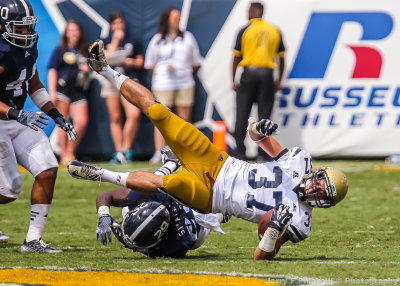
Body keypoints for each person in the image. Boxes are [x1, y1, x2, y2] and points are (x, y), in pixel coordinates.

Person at [68, 40, 348, 260]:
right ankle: (104, 68)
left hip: (213, 197)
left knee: (162, 182)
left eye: (322, 195)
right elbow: (256, 138)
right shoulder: (299, 161)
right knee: (161, 113)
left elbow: (261, 256)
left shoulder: (301, 222)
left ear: (325, 204)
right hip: (220, 163)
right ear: (317, 174)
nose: (315, 191)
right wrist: (258, 129)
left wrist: (272, 233)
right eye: (319, 185)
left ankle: (101, 174)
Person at [0, 0, 77, 252]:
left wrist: (56, 114)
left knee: (47, 168)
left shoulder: (29, 47)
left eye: (28, 27)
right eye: (19, 27)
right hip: (3, 120)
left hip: (18, 117)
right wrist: (16, 114)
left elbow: (33, 85)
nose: (26, 33)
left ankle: (32, 241)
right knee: (10, 190)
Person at [95, 146, 226, 258]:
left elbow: (151, 249)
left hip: (196, 222)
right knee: (149, 186)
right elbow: (106, 195)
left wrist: (128, 242)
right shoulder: (147, 197)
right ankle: (171, 163)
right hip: (179, 215)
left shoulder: (179, 241)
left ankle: (171, 164)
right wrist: (104, 214)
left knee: (213, 209)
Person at [145, 7, 202, 164]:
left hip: (185, 83)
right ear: (167, 20)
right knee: (161, 118)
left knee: (184, 119)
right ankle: (158, 152)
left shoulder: (188, 38)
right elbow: (150, 64)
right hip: (163, 84)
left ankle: (184, 152)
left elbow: (195, 62)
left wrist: (182, 70)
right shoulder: (157, 39)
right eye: (174, 18)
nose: (178, 21)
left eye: (179, 18)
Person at [232, 2, 285, 161]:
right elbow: (281, 59)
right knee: (264, 117)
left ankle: (240, 153)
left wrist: (233, 79)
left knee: (242, 115)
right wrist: (278, 80)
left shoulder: (244, 30)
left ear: (253, 12)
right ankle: (263, 153)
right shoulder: (274, 30)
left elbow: (236, 57)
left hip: (248, 74)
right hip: (267, 75)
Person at [100, 11, 144, 163]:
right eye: (115, 24)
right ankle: (118, 152)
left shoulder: (133, 40)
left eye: (121, 23)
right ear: (111, 26)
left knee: (134, 114)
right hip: (111, 81)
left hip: (129, 80)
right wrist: (116, 42)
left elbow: (140, 62)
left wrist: (129, 62)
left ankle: (126, 150)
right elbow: (103, 60)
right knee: (116, 117)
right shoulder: (105, 40)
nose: (119, 26)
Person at [48, 19, 90, 165]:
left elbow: (89, 72)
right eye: (70, 30)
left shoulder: (84, 50)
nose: (73, 33)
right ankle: (64, 154)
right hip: (63, 89)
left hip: (78, 89)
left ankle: (70, 152)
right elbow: (52, 70)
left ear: (80, 32)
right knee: (63, 121)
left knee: (81, 122)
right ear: (66, 33)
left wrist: (87, 71)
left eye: (76, 30)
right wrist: (52, 91)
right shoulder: (60, 50)